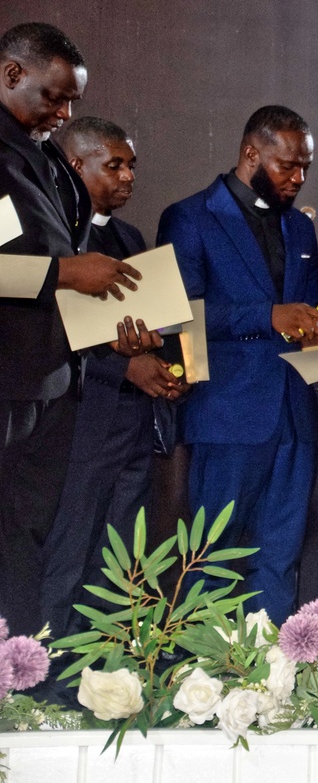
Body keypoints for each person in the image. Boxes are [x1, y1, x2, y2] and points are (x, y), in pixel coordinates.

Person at [159, 105, 318, 623]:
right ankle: (202, 670)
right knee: (209, 559)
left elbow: (306, 318)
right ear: (251, 154)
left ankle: (271, 669)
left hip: (294, 417)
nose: (298, 178)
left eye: (305, 168)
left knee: (279, 559)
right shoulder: (190, 216)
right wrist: (268, 315)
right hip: (227, 414)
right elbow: (177, 314)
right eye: (287, 166)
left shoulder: (299, 227)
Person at [0, 23, 148, 637]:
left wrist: (107, 329)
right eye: (55, 98)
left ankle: (22, 669)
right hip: (7, 382)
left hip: (52, 383)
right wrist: (65, 272)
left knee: (28, 542)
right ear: (12, 73)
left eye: (71, 103)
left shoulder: (43, 155)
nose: (63, 115)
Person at [42, 117, 188, 637]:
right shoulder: (56, 238)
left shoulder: (130, 236)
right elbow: (47, 334)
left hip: (135, 421)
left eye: (131, 165)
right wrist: (124, 364)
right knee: (69, 553)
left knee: (122, 558)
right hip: (79, 421)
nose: (128, 176)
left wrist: (166, 368)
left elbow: (148, 326)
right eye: (114, 165)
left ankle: (107, 663)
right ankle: (48, 669)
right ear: (75, 165)